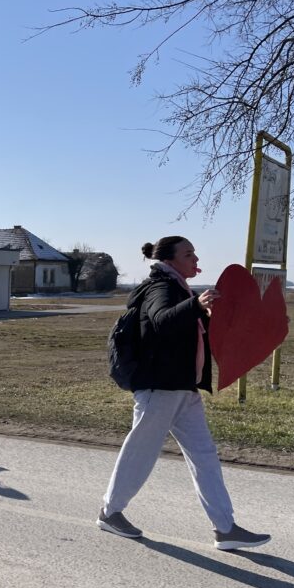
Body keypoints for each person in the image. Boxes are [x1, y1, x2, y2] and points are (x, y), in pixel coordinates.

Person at [97, 236, 271, 551]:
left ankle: (225, 528)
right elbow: (161, 320)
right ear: (170, 261)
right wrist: (196, 305)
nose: (195, 259)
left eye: (194, 253)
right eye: (188, 254)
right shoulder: (160, 287)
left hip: (183, 389)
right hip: (160, 388)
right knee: (141, 453)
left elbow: (190, 330)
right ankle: (110, 512)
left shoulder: (179, 288)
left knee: (204, 456)